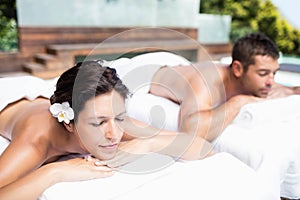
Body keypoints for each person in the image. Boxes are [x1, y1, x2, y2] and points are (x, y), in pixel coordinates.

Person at [0, 60, 211, 200]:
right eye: (98, 123)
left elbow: (204, 148)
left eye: (119, 117)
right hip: (10, 97)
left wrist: (149, 142)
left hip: (45, 96)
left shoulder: (113, 120)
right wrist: (54, 172)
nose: (114, 134)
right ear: (68, 123)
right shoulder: (35, 141)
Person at [149, 32, 300, 142]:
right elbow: (190, 132)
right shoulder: (206, 82)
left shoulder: (254, 81)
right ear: (238, 69)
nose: (270, 82)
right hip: (151, 72)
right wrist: (239, 101)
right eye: (263, 73)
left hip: (182, 65)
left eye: (274, 73)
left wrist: (294, 90)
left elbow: (289, 90)